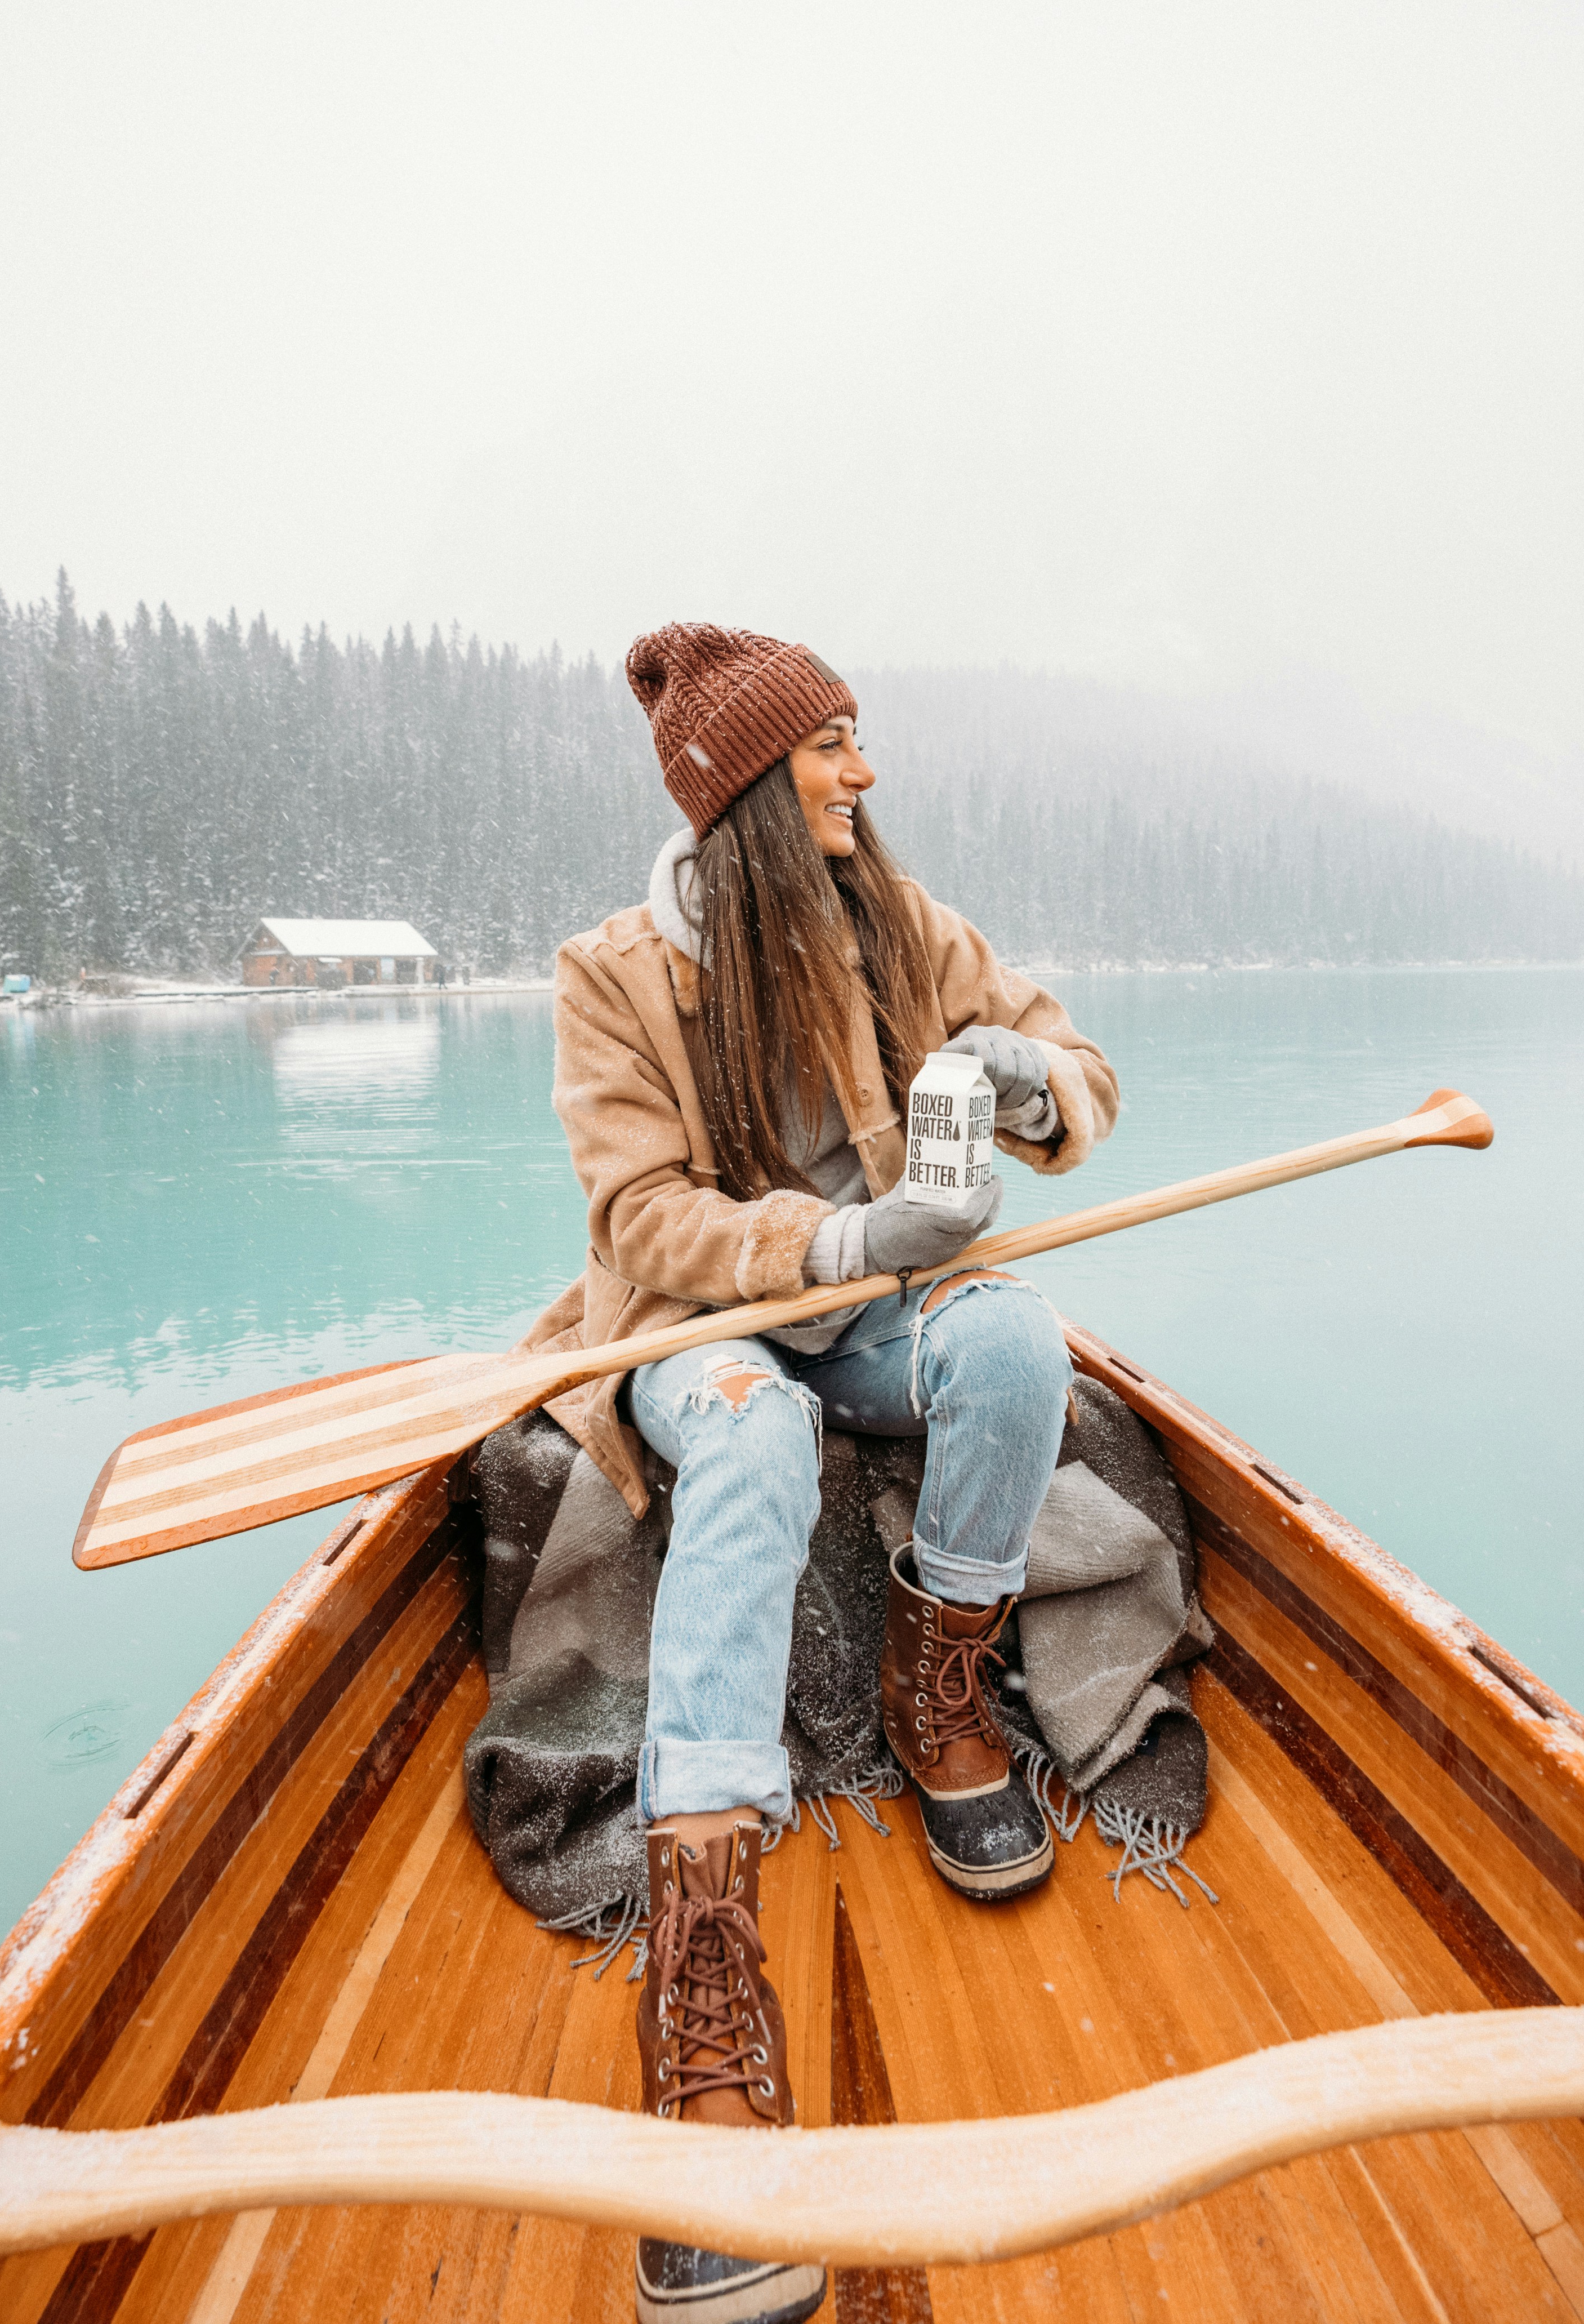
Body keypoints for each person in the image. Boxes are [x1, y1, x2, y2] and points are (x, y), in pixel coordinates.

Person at [530, 623, 1119, 2324]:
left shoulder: (901, 927)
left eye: (859, 740)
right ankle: (706, 1979)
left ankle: (938, 1687)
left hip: (875, 1316)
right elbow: (638, 1216)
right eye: (831, 746)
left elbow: (1079, 1066)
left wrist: (1035, 1085)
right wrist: (843, 1231)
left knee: (1013, 1339)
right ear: (743, 791)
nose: (864, 773)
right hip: (692, 1329)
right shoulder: (613, 972)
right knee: (752, 1427)